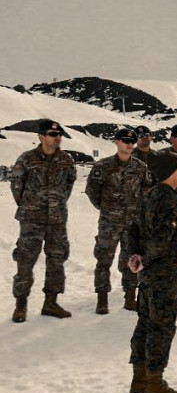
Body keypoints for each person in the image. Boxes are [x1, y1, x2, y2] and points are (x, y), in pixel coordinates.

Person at [126, 150, 177, 393]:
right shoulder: (170, 200)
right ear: (170, 172)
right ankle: (154, 384)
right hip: (165, 274)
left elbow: (133, 228)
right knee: (161, 327)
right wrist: (146, 258)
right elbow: (161, 239)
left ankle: (139, 379)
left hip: (148, 275)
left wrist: (136, 256)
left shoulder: (148, 196)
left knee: (144, 323)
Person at [10, 119, 77, 323]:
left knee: (57, 259)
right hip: (32, 219)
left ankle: (51, 302)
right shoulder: (27, 159)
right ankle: (21, 305)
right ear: (41, 136)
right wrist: (30, 205)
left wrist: (57, 203)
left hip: (57, 219)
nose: (57, 138)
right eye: (52, 134)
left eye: (59, 135)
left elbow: (69, 184)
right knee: (25, 260)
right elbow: (16, 186)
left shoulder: (66, 160)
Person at [86, 128, 149, 315]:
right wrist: (107, 209)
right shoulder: (102, 167)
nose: (129, 144)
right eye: (125, 140)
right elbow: (92, 191)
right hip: (109, 223)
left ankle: (130, 297)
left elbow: (146, 193)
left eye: (132, 141)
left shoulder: (140, 168)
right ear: (116, 142)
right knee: (103, 260)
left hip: (132, 224)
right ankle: (102, 299)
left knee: (131, 259)